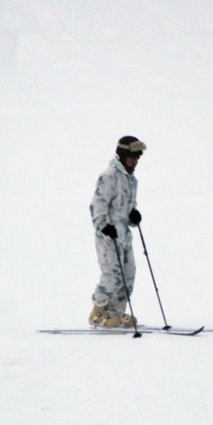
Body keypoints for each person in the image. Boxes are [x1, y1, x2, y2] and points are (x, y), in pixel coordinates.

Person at [89, 136, 146, 328]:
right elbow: (98, 204)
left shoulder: (131, 180)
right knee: (112, 274)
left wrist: (133, 216)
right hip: (108, 235)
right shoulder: (109, 176)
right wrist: (103, 225)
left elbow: (128, 206)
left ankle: (115, 313)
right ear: (122, 155)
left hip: (123, 235)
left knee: (128, 274)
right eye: (132, 156)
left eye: (137, 156)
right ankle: (98, 312)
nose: (135, 160)